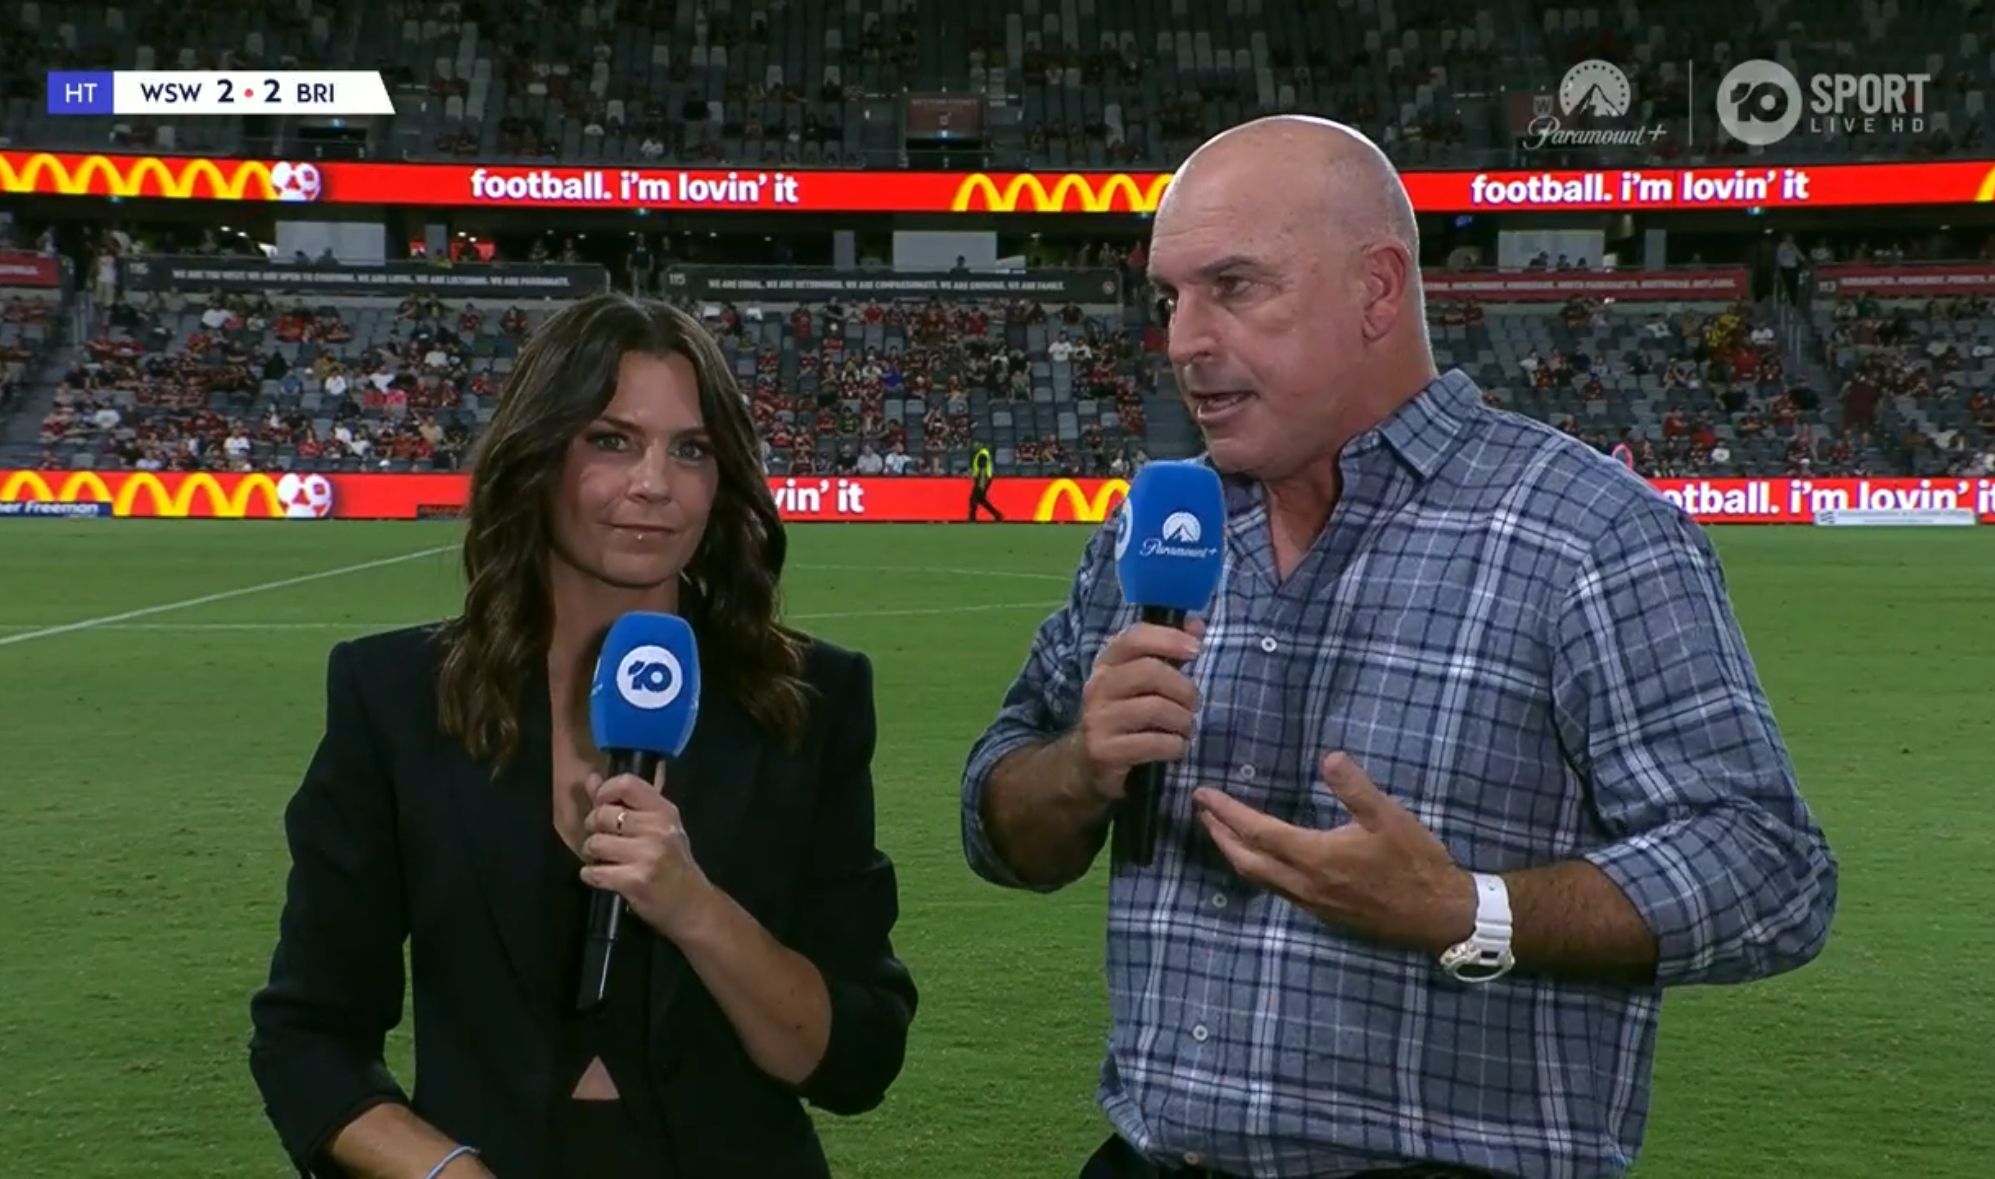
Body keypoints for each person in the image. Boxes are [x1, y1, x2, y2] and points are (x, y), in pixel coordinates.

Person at [959, 115, 1837, 1179]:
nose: (1184, 338)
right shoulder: (1158, 527)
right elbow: (998, 829)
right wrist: (1078, 768)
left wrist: (1472, 909)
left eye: (1233, 286)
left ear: (1377, 290)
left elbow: (1769, 871)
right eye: (1169, 297)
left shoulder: (1585, 535)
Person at [249, 293, 917, 1178]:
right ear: (538, 454)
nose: (654, 483)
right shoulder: (396, 697)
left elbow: (857, 1057)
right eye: (611, 440)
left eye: (691, 449)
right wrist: (452, 1174)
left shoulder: (810, 700)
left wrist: (695, 908)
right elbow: (309, 1038)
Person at [968, 443, 1003, 521]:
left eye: (976, 445)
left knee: (973, 498)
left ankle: (972, 518)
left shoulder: (982, 455)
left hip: (983, 479)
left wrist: (981, 483)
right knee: (981, 499)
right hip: (984, 479)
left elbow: (983, 470)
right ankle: (997, 515)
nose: (975, 447)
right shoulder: (984, 454)